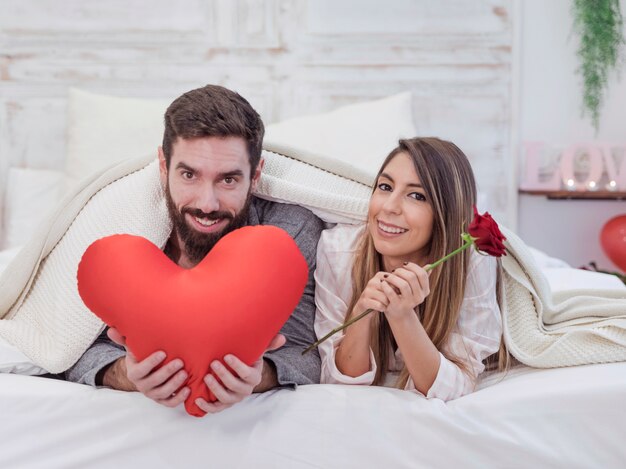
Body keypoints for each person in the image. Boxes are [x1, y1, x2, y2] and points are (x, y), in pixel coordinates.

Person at [66, 84, 324, 414]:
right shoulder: (117, 227)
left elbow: (306, 351)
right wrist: (125, 375)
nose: (207, 203)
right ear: (163, 165)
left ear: (255, 175)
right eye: (189, 174)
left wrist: (261, 376)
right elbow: (64, 347)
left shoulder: (285, 232)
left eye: (228, 180)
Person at [314, 137, 502, 400]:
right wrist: (361, 313)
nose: (389, 207)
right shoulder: (338, 251)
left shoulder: (471, 262)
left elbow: (455, 386)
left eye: (417, 195)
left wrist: (402, 316)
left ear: (445, 213)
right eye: (385, 186)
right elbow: (339, 382)